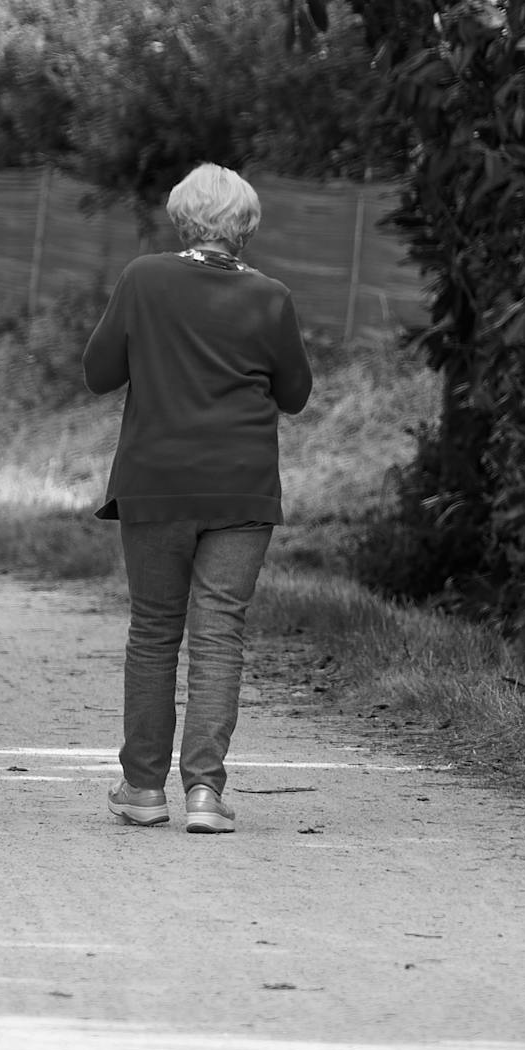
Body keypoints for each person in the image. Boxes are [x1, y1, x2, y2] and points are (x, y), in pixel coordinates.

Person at [83, 163, 314, 834]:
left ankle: (143, 787)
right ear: (247, 226)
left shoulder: (144, 280)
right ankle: (206, 793)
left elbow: (99, 372)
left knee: (155, 631)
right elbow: (296, 395)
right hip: (241, 488)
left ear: (183, 218)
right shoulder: (270, 297)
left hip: (156, 483)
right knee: (220, 635)